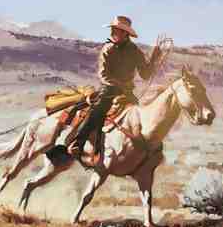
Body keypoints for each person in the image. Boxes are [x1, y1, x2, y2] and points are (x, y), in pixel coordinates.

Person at [66, 15, 162, 156]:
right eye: (113, 29)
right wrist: (118, 85)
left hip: (127, 92)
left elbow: (145, 75)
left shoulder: (135, 51)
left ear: (125, 33)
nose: (113, 32)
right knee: (97, 110)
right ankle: (77, 143)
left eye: (116, 30)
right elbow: (103, 74)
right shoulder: (108, 48)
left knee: (139, 116)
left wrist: (154, 59)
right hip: (109, 89)